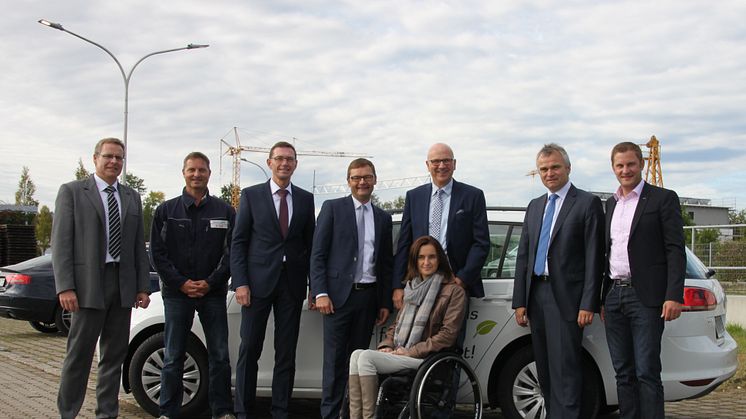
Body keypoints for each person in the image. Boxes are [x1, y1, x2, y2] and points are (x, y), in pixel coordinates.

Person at [52, 137, 151, 419]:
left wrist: (142, 286)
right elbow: (61, 243)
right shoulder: (72, 192)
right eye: (108, 156)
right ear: (94, 158)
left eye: (119, 157)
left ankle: (107, 413)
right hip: (86, 287)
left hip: (122, 285)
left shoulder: (131, 196)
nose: (114, 162)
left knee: (114, 356)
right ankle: (67, 412)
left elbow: (136, 246)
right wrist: (66, 286)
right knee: (79, 356)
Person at [512, 143, 604, 418]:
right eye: (543, 169)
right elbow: (523, 257)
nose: (549, 173)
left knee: (566, 370)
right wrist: (520, 301)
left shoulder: (587, 203)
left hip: (567, 299)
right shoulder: (535, 205)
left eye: (554, 167)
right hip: (536, 295)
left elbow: (594, 257)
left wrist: (589, 302)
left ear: (568, 168)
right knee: (545, 371)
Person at [230, 141, 316, 419]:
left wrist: (315, 286)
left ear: (295, 164)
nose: (284, 164)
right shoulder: (251, 196)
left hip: (291, 286)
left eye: (290, 159)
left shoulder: (305, 198)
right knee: (249, 349)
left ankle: (280, 411)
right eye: (279, 159)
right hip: (255, 286)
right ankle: (243, 410)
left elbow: (311, 245)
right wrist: (240, 282)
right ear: (269, 163)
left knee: (286, 353)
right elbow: (239, 242)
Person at [601, 141, 685, 419]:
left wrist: (673, 295)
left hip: (646, 298)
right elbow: (607, 251)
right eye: (620, 165)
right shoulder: (610, 204)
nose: (625, 170)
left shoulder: (662, 198)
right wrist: (602, 297)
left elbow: (674, 249)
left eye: (631, 164)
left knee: (647, 371)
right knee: (623, 372)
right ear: (613, 168)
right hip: (614, 296)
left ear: (642, 164)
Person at [149, 152, 235, 419]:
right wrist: (182, 283)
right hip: (177, 295)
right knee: (173, 355)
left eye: (202, 170)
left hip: (213, 294)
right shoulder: (166, 211)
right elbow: (158, 255)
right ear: (183, 173)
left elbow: (231, 253)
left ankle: (221, 411)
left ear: (209, 173)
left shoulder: (225, 211)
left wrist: (210, 283)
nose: (197, 174)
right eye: (192, 170)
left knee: (219, 355)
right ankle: (168, 412)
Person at [310, 158, 393, 419]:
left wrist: (383, 303)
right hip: (336, 299)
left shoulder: (383, 217)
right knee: (334, 363)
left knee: (358, 365)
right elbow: (318, 254)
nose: (362, 182)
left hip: (367, 300)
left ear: (375, 180)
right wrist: (320, 292)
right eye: (356, 177)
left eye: (367, 177)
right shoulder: (333, 209)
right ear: (348, 182)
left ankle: (351, 414)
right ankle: (331, 415)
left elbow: (385, 264)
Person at [349, 235, 466, 418]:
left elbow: (448, 335)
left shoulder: (454, 291)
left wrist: (412, 351)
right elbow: (395, 327)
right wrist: (387, 345)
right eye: (421, 257)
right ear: (415, 261)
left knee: (365, 358)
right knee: (356, 354)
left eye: (432, 257)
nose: (426, 262)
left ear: (439, 259)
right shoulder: (411, 288)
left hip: (427, 359)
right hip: (401, 352)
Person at [393, 143, 489, 310]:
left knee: (450, 336)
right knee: (417, 335)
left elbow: (481, 243)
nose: (442, 166)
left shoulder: (473, 196)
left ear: (454, 164)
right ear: (427, 165)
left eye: (446, 160)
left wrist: (461, 280)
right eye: (436, 161)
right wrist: (398, 286)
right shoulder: (414, 197)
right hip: (418, 285)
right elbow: (404, 244)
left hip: (454, 284)